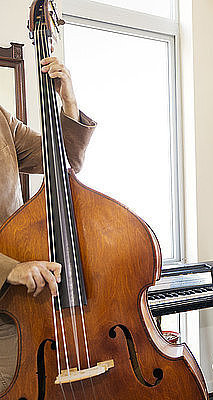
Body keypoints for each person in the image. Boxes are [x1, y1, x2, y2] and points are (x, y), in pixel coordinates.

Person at [0, 56, 95, 392]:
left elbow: (62, 159)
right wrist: (9, 269)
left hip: (17, 305)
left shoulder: (1, 121)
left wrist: (69, 103)